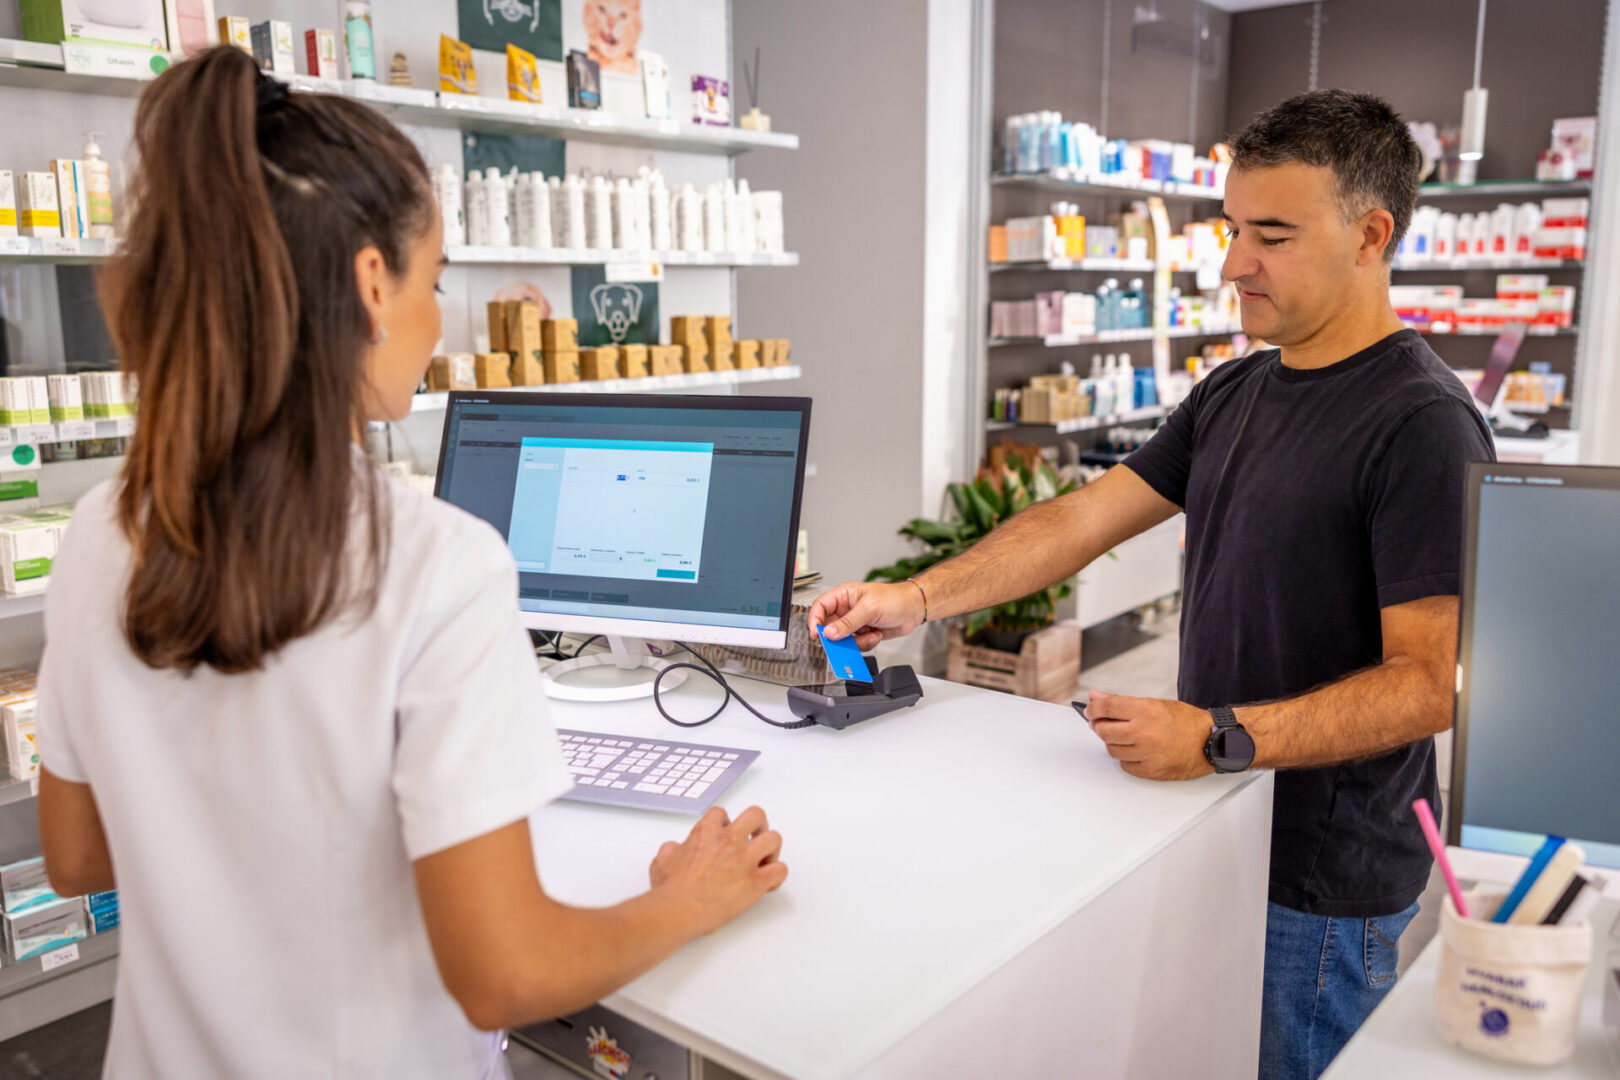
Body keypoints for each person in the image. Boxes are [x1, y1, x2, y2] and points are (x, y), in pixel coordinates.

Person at [35, 47, 786, 1079]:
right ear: (371, 283)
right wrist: (682, 901)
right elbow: (505, 976)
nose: (436, 324)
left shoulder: (101, 535)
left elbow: (77, 856)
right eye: (435, 281)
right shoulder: (437, 565)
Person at [810, 89, 1493, 1080]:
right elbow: (1081, 519)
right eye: (1231, 229)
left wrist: (1220, 736)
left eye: (1271, 236)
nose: (1232, 265)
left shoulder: (1421, 422)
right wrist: (916, 598)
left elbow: (1431, 682)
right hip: (1215, 824)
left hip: (1318, 884)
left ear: (1370, 234)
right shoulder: (1238, 388)